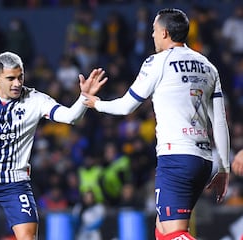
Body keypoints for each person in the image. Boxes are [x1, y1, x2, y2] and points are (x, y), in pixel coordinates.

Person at [83, 8, 230, 240]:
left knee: (173, 235)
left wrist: (94, 103)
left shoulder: (158, 62)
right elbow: (220, 122)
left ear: (164, 33)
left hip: (176, 159)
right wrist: (223, 168)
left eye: (153, 30)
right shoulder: (208, 66)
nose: (152, 35)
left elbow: (125, 107)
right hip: (202, 161)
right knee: (163, 232)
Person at [0, 51, 107, 240]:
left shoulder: (35, 100)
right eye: (11, 78)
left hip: (15, 183)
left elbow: (71, 117)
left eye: (20, 77)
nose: (17, 83)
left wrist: (83, 98)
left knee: (27, 238)